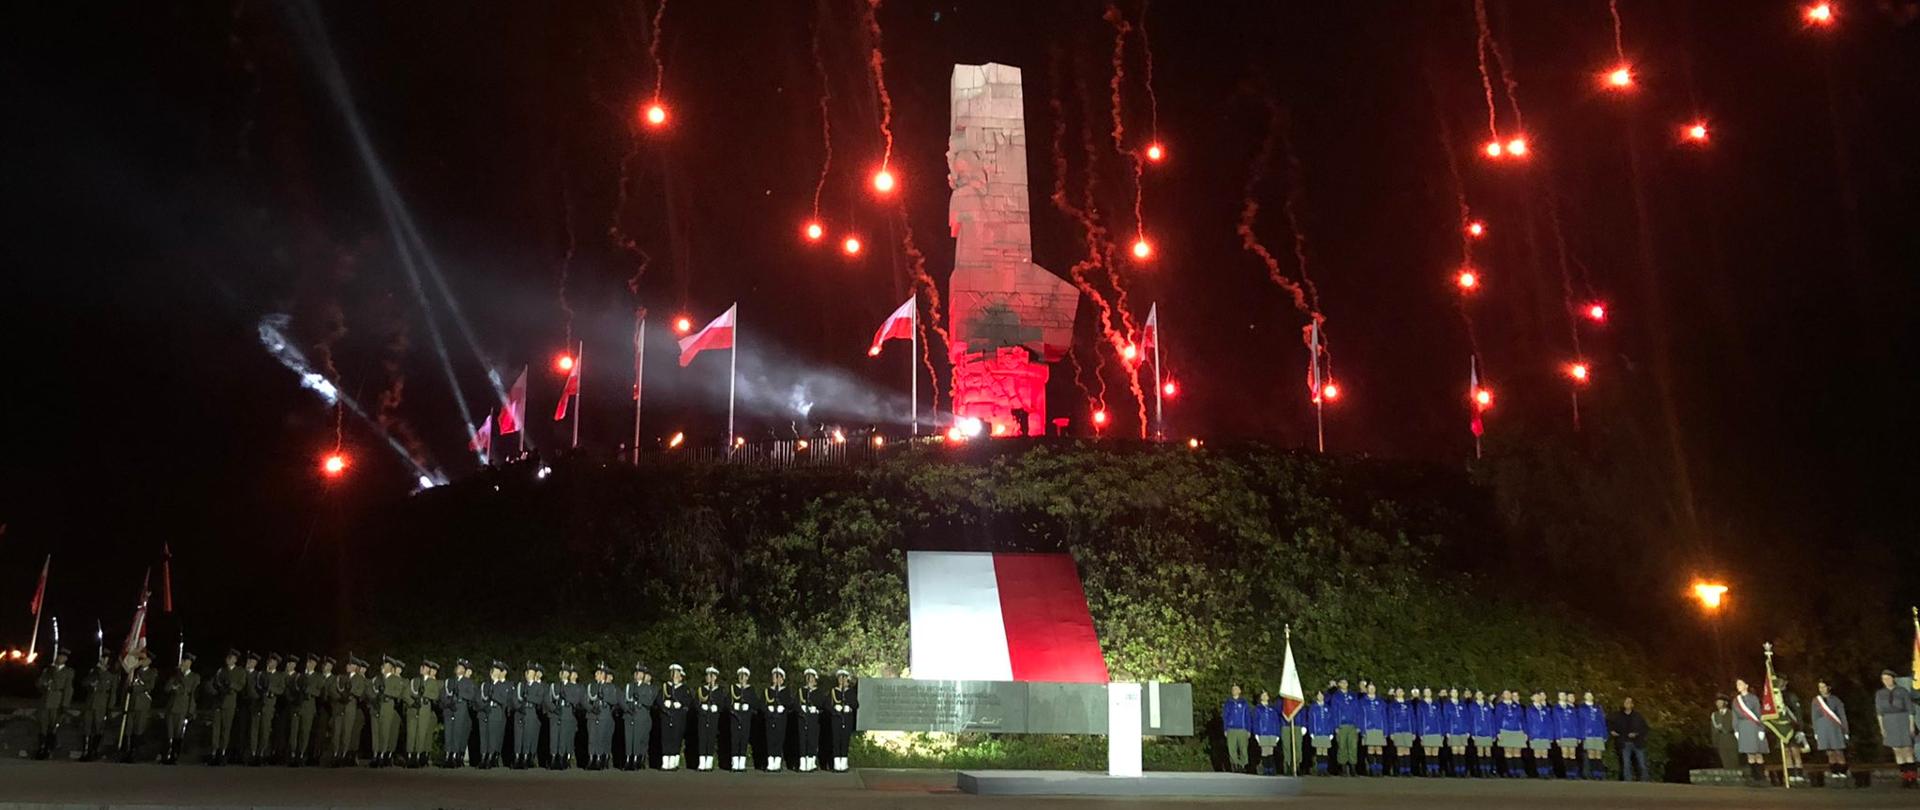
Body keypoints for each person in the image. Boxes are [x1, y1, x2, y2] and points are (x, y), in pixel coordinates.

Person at [1875, 669, 1916, 789]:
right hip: (1889, 722)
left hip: (1903, 720)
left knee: (1907, 750)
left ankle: (1912, 778)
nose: (1886, 681)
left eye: (1888, 678)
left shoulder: (1902, 691)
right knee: (1897, 750)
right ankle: (1904, 778)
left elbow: (1910, 710)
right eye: (1884, 679)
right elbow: (1879, 713)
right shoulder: (1880, 693)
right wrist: (1882, 728)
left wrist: (1911, 725)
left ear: (1893, 679)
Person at [207, 649, 245, 765]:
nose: (228, 660)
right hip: (218, 702)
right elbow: (213, 683)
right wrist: (215, 691)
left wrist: (231, 685)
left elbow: (241, 686)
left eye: (231, 658)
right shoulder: (221, 670)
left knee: (226, 729)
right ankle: (214, 753)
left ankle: (222, 753)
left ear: (235, 660)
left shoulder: (240, 671)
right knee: (216, 729)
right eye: (228, 658)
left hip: (229, 703)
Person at [160, 652, 199, 765]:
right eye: (183, 661)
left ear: (190, 663)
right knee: (169, 733)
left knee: (178, 733)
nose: (184, 663)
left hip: (183, 708)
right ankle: (167, 754)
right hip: (172, 707)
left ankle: (175, 755)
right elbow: (166, 689)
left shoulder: (194, 677)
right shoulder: (176, 675)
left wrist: (191, 710)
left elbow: (192, 694)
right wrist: (176, 678)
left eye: (186, 662)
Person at [246, 652, 285, 765]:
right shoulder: (260, 674)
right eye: (269, 661)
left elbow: (281, 690)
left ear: (276, 664)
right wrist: (258, 695)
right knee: (254, 731)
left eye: (273, 661)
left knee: (265, 731)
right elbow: (252, 688)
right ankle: (253, 754)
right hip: (257, 705)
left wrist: (270, 689)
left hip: (268, 707)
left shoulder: (279, 676)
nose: (270, 663)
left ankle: (261, 754)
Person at [78, 654, 116, 762]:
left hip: (101, 704)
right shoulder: (94, 673)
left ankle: (94, 751)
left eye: (105, 660)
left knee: (98, 727)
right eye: (102, 659)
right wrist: (93, 677)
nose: (102, 661)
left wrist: (110, 707)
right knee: (87, 726)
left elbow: (112, 693)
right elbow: (84, 683)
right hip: (90, 703)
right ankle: (86, 751)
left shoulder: (111, 676)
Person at [1810, 680, 1849, 786]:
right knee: (1829, 752)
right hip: (1822, 728)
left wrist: (1845, 730)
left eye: (1823, 687)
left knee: (1838, 750)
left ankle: (1843, 772)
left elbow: (1842, 715)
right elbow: (1814, 716)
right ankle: (1834, 772)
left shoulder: (1836, 700)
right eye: (1820, 687)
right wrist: (1816, 731)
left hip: (1835, 728)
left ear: (1829, 687)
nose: (1822, 689)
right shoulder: (1816, 701)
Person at [621, 663, 659, 771]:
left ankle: (636, 760)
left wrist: (640, 699)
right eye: (636, 673)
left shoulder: (647, 688)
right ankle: (628, 760)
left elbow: (650, 702)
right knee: (629, 739)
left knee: (638, 739)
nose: (638, 675)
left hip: (640, 716)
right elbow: (622, 699)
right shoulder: (629, 686)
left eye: (640, 673)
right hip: (629, 715)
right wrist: (627, 708)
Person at [1732, 678, 1770, 785]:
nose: (1738, 686)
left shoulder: (1753, 698)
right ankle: (1754, 777)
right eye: (1737, 684)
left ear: (1746, 685)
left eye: (1740, 684)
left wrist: (1761, 729)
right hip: (1743, 728)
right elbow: (1735, 717)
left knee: (1758, 752)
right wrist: (1736, 730)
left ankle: (1761, 777)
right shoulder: (1736, 701)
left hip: (1754, 726)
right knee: (1749, 753)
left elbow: (1758, 713)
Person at [285, 654, 321, 767]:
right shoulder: (298, 675)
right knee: (294, 732)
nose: (310, 664)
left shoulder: (318, 677)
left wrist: (308, 689)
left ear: (315, 664)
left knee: (305, 733)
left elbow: (318, 692)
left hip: (308, 709)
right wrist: (293, 698)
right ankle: (292, 755)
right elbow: (290, 689)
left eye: (312, 663)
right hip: (297, 706)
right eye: (309, 662)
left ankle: (301, 755)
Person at [371, 656, 407, 768]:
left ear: (391, 667)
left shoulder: (396, 679)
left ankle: (382, 755)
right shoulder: (377, 678)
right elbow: (370, 689)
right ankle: (375, 754)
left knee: (385, 732)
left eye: (386, 665)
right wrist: (374, 697)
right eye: (383, 665)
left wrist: (385, 692)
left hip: (387, 707)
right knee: (375, 732)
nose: (383, 667)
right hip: (376, 707)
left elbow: (397, 692)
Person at [121, 651, 157, 763]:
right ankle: (127, 752)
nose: (141, 660)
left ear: (149, 661)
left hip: (142, 704)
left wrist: (135, 688)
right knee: (129, 728)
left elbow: (149, 686)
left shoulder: (152, 672)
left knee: (138, 729)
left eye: (144, 659)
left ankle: (135, 754)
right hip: (132, 704)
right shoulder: (135, 671)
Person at [406, 660, 442, 769]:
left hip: (425, 709)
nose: (423, 669)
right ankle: (409, 756)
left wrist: (424, 694)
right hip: (413, 709)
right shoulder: (414, 681)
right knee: (411, 733)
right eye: (422, 667)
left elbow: (435, 695)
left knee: (421, 733)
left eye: (426, 668)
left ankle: (417, 756)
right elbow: (406, 693)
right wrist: (412, 702)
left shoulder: (432, 682)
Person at [440, 659, 476, 768]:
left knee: (457, 733)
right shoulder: (449, 681)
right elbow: (442, 695)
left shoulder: (468, 682)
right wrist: (448, 703)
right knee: (448, 733)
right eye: (458, 667)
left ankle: (455, 756)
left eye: (461, 668)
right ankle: (447, 756)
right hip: (449, 709)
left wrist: (460, 693)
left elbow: (471, 696)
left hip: (460, 709)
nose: (458, 669)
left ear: (464, 670)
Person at [549, 662, 584, 770]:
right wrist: (554, 708)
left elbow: (576, 700)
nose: (563, 674)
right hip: (556, 713)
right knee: (554, 737)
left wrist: (567, 697)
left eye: (565, 672)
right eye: (561, 672)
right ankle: (553, 758)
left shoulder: (573, 687)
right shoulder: (554, 685)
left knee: (564, 738)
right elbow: (548, 699)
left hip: (567, 713)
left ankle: (562, 759)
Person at [478, 660, 513, 769]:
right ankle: (483, 758)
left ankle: (491, 758)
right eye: (494, 670)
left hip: (496, 712)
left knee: (493, 736)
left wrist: (493, 694)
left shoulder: (502, 685)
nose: (495, 672)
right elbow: (479, 698)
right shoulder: (485, 684)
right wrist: (483, 707)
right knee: (484, 737)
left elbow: (504, 700)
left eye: (498, 670)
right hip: (485, 712)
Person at [511, 662, 546, 770]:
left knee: (527, 736)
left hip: (531, 712)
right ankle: (517, 758)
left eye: (530, 672)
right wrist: (518, 707)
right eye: (527, 672)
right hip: (520, 712)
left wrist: (528, 697)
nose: (528, 674)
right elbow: (514, 698)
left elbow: (539, 700)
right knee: (518, 736)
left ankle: (525, 759)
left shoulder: (538, 686)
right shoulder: (520, 685)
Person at [586, 663, 619, 770]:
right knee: (592, 738)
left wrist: (605, 698)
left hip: (604, 715)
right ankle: (591, 759)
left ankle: (599, 759)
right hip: (592, 715)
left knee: (601, 738)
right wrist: (591, 708)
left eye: (599, 673)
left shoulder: (610, 687)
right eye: (596, 673)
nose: (596, 675)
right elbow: (585, 700)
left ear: (603, 675)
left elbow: (614, 700)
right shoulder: (591, 686)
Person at [759, 667, 793, 771]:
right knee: (770, 739)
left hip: (781, 718)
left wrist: (783, 707)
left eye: (778, 677)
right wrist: (767, 709)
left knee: (779, 739)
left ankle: (777, 762)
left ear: (782, 679)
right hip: (770, 718)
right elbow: (761, 704)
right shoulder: (767, 691)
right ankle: (770, 762)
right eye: (774, 677)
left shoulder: (786, 691)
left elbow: (790, 704)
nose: (776, 679)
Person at [658, 663, 691, 770]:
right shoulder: (665, 686)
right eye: (673, 674)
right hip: (666, 716)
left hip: (678, 717)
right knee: (666, 738)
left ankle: (672, 762)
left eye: (677, 674)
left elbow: (688, 701)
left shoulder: (684, 688)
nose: (675, 676)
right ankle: (665, 762)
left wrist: (680, 704)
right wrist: (664, 704)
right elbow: (659, 699)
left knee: (675, 738)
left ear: (681, 676)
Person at [1609, 697, 1649, 782]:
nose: (1627, 704)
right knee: (1626, 764)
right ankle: (1628, 781)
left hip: (1637, 743)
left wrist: (1636, 733)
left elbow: (1644, 728)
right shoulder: (1618, 716)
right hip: (1624, 742)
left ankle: (1644, 780)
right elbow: (1610, 724)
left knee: (1642, 763)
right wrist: (1612, 731)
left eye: (1629, 702)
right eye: (1625, 702)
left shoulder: (1637, 716)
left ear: (1632, 704)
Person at [827, 669, 858, 772]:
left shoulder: (850, 692)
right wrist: (834, 709)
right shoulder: (833, 691)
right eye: (840, 678)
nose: (842, 680)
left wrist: (849, 706)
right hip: (836, 719)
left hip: (847, 719)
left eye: (844, 678)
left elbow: (856, 704)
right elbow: (827, 705)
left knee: (845, 741)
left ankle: (843, 764)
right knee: (836, 741)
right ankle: (836, 764)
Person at [1327, 679, 1359, 776]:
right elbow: (1334, 712)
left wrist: (1358, 725)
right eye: (1342, 682)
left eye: (1345, 682)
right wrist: (1336, 725)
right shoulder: (1336, 696)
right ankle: (1343, 768)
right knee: (1342, 746)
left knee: (1353, 746)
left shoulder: (1353, 696)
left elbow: (1357, 711)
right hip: (1341, 725)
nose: (1344, 684)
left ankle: (1353, 768)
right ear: (1339, 684)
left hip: (1352, 725)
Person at [726, 666, 755, 772]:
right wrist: (733, 706)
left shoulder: (750, 689)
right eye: (740, 676)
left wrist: (748, 706)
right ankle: (735, 764)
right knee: (735, 739)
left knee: (743, 739)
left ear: (747, 678)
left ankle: (741, 763)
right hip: (735, 717)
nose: (742, 678)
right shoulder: (733, 688)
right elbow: (727, 703)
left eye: (744, 676)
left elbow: (755, 703)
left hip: (745, 718)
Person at [795, 668, 824, 773]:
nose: (809, 680)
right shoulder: (801, 691)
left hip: (813, 719)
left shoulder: (818, 692)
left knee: (812, 740)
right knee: (802, 740)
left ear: (815, 680)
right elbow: (795, 704)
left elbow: (822, 704)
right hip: (803, 718)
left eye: (811, 678)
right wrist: (801, 709)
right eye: (808, 678)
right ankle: (803, 763)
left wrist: (816, 708)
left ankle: (811, 763)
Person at [1494, 689, 1527, 778]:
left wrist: (1525, 731)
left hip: (1517, 730)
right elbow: (1497, 719)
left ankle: (1519, 771)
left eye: (1509, 693)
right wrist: (1498, 732)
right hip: (1505, 730)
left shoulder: (1517, 706)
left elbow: (1522, 719)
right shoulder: (1500, 706)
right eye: (1505, 693)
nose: (1507, 695)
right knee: (1508, 751)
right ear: (1503, 695)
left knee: (1517, 751)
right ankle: (1510, 771)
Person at [696, 666, 723, 771]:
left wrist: (717, 708)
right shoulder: (701, 689)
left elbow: (722, 703)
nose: (709, 678)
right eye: (707, 675)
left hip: (713, 717)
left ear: (715, 677)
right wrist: (701, 708)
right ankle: (702, 762)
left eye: (711, 676)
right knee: (702, 738)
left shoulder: (719, 690)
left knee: (711, 738)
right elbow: (696, 703)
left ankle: (709, 762)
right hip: (703, 717)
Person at [1221, 683, 1252, 773]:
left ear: (1239, 691)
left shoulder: (1244, 703)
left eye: (1236, 689)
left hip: (1242, 729)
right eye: (1233, 689)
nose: (1234, 690)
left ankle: (1243, 765)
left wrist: (1248, 729)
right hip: (1231, 729)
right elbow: (1225, 716)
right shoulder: (1228, 703)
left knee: (1243, 749)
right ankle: (1235, 765)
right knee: (1232, 749)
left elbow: (1248, 717)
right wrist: (1225, 728)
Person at [1384, 687, 1414, 777]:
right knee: (1400, 750)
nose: (1400, 693)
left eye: (1401, 691)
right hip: (1397, 730)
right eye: (1398, 692)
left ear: (1404, 693)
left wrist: (1413, 731)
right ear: (1395, 694)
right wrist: (1391, 732)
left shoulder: (1408, 705)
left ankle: (1407, 770)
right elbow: (1390, 719)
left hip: (1407, 729)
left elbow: (1412, 718)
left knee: (1407, 750)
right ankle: (1399, 770)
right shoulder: (1392, 705)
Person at [1304, 691, 1336, 775]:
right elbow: (1310, 720)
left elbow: (1331, 720)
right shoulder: (1313, 707)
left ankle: (1325, 769)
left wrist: (1331, 732)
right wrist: (1311, 731)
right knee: (1318, 750)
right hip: (1317, 732)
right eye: (1318, 695)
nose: (1320, 696)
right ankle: (1319, 769)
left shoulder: (1328, 707)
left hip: (1326, 732)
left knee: (1325, 750)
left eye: (1321, 695)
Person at [1577, 691, 1607, 780]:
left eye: (1591, 695)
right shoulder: (1582, 708)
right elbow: (1580, 722)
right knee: (1591, 754)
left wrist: (1604, 734)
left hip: (1598, 734)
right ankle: (1591, 773)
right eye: (1587, 695)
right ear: (1585, 697)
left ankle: (1599, 774)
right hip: (1588, 734)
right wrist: (1581, 735)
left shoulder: (1598, 707)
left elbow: (1602, 721)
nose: (1589, 697)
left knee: (1598, 754)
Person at [1525, 690, 1555, 778]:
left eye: (1538, 696)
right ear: (1532, 698)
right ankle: (1540, 771)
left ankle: (1546, 772)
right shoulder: (1530, 709)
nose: (1537, 698)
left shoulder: (1545, 709)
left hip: (1545, 733)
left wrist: (1550, 735)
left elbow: (1549, 722)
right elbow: (1528, 722)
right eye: (1535, 696)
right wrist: (1529, 734)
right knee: (1537, 753)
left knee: (1545, 753)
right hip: (1535, 734)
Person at [1251, 690, 1282, 775]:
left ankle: (1271, 768)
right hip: (1262, 732)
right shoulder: (1258, 709)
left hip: (1272, 732)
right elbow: (1255, 721)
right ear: (1260, 697)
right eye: (1263, 695)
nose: (1265, 697)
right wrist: (1256, 733)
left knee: (1271, 751)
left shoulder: (1273, 709)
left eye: (1266, 695)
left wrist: (1277, 734)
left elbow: (1276, 722)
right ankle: (1266, 768)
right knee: (1264, 751)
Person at [1359, 682, 1387, 776]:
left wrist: (1385, 730)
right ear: (1367, 690)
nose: (1371, 690)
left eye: (1373, 688)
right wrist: (1362, 729)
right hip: (1368, 728)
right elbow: (1361, 716)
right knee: (1370, 748)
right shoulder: (1363, 701)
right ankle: (1372, 769)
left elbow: (1384, 716)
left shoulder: (1381, 701)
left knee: (1379, 749)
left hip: (1379, 727)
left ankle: (1379, 769)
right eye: (1369, 688)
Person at [1416, 687, 1445, 777]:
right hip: (1426, 731)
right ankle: (1429, 770)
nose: (1428, 693)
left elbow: (1440, 718)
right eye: (1426, 692)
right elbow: (1419, 719)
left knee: (1435, 751)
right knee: (1428, 751)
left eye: (1429, 691)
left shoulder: (1436, 704)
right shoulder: (1421, 705)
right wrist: (1420, 733)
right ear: (1424, 693)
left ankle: (1436, 770)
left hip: (1436, 730)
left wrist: (1442, 732)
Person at [1443, 687, 1470, 778]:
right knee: (1455, 750)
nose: (1455, 694)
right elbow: (1446, 719)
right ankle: (1456, 770)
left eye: (1456, 692)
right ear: (1450, 694)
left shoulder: (1462, 704)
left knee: (1462, 750)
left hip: (1462, 730)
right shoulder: (1447, 705)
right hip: (1453, 730)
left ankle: (1462, 770)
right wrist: (1447, 730)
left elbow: (1467, 718)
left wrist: (1467, 730)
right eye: (1453, 692)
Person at [1469, 689, 1496, 777]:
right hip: (1478, 731)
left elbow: (1492, 720)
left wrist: (1493, 733)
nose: (1479, 695)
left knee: (1488, 751)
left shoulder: (1488, 706)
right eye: (1478, 694)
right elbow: (1471, 720)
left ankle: (1488, 770)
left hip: (1488, 731)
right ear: (1475, 696)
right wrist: (1472, 732)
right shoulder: (1472, 706)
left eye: (1481, 694)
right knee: (1480, 751)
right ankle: (1481, 770)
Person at [1553, 691, 1579, 778]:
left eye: (1564, 695)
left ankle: (1574, 772)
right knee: (1565, 753)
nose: (1563, 697)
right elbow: (1556, 723)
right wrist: (1557, 737)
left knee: (1572, 753)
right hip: (1562, 734)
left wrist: (1577, 735)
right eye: (1561, 695)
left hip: (1572, 734)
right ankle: (1567, 772)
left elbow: (1576, 722)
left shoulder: (1572, 708)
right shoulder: (1556, 708)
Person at [1709, 696, 1739, 769]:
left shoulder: (1733, 714)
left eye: (1720, 702)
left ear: (1726, 703)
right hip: (1721, 741)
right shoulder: (1714, 715)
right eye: (1717, 702)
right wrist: (1715, 742)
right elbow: (1713, 730)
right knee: (1725, 761)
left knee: (1734, 761)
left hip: (1732, 740)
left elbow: (1737, 726)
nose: (1718, 704)